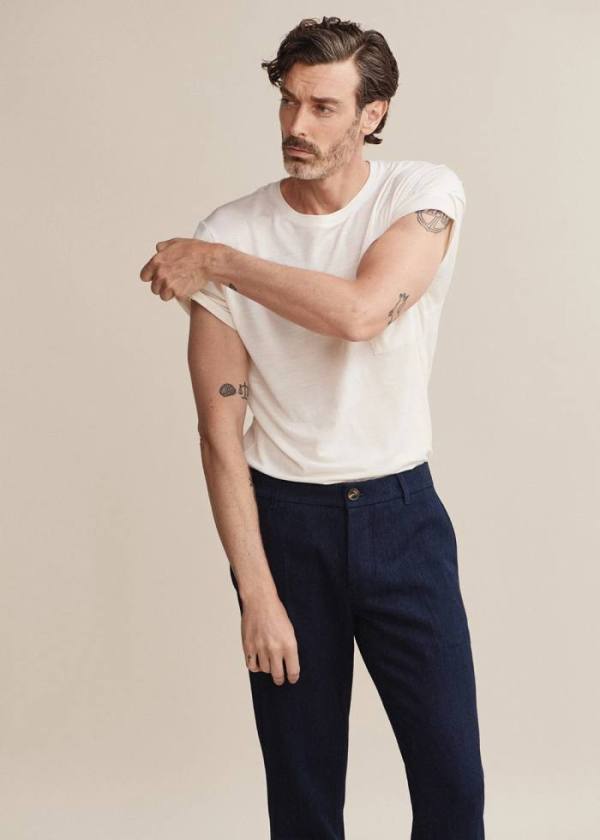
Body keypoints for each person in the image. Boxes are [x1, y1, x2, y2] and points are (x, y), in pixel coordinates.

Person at [140, 15, 485, 840]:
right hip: (285, 527)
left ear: (374, 113)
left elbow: (362, 314)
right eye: (289, 102)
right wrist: (256, 591)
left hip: (403, 517)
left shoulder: (421, 195)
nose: (297, 125)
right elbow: (218, 433)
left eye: (324, 107)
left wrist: (218, 264)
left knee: (451, 782)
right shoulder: (232, 226)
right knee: (302, 792)